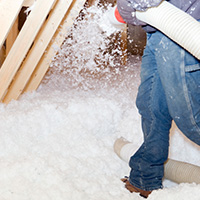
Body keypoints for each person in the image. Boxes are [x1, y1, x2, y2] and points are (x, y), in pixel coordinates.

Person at [116, 0, 200, 198]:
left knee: (191, 119)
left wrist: (126, 9)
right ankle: (145, 178)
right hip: (159, 30)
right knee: (150, 105)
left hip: (184, 28)